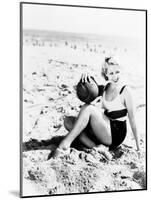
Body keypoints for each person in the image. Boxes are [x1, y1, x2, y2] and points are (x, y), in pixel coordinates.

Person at [53, 56, 140, 158]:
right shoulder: (105, 88)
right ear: (106, 74)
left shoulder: (125, 91)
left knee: (88, 108)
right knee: (68, 121)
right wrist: (84, 80)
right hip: (103, 129)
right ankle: (99, 148)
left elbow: (133, 120)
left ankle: (64, 145)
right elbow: (85, 94)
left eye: (117, 72)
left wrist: (139, 147)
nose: (115, 76)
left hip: (116, 134)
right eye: (111, 73)